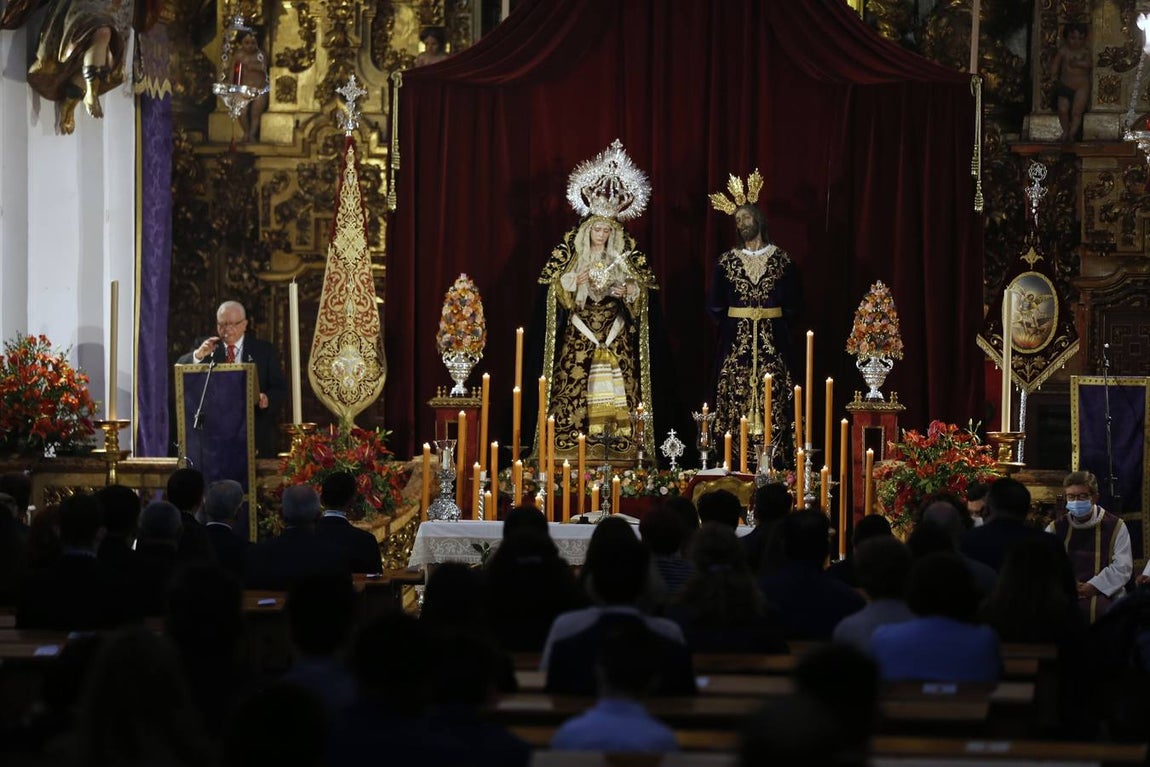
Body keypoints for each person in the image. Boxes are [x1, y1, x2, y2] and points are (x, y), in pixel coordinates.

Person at [538, 140, 658, 461]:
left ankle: (621, 449)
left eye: (607, 230)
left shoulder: (623, 257)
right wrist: (572, 282)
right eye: (597, 229)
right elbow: (553, 290)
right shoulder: (573, 257)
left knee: (621, 386)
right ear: (588, 230)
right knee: (575, 380)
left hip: (614, 329)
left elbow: (642, 290)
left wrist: (628, 292)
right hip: (581, 329)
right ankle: (570, 448)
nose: (601, 235)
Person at [708, 171, 800, 461]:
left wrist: (776, 324)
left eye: (745, 218)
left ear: (758, 219)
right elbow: (715, 305)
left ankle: (776, 456)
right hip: (736, 342)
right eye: (737, 221)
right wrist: (735, 326)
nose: (742, 224)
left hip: (774, 339)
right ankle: (734, 457)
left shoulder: (782, 260)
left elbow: (795, 303)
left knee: (776, 392)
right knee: (734, 392)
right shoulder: (726, 262)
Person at [0, 0, 141, 134]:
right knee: (100, 32)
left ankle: (75, 94)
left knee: (107, 50)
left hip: (113, 7)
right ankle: (90, 91)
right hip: (83, 7)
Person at [178, 300, 288, 458]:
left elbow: (280, 388)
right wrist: (198, 355)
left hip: (253, 430)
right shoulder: (207, 347)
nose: (227, 330)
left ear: (244, 324)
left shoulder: (264, 351)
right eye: (222, 325)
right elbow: (180, 367)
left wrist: (267, 399)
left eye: (232, 324)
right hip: (213, 435)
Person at [1046, 470, 1132, 623]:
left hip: (1105, 591)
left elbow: (1122, 566)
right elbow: (1046, 564)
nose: (1076, 501)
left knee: (1104, 613)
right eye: (1071, 497)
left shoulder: (1116, 526)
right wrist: (1068, 585)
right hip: (1065, 591)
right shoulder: (1055, 528)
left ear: (1095, 497)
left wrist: (1093, 586)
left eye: (1082, 496)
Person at [316, 472, 383, 574]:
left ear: (321, 499)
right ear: (352, 500)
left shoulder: (304, 538)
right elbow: (377, 585)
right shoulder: (365, 541)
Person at [1050, 23, 1091, 143]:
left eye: (1080, 38)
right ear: (1066, 38)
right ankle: (1066, 130)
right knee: (1062, 110)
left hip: (1081, 86)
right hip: (1065, 85)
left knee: (1076, 112)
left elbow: (1089, 64)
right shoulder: (1064, 51)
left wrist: (1078, 64)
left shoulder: (1085, 51)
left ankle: (1072, 134)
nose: (1076, 42)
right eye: (1073, 38)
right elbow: (1056, 64)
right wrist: (1052, 73)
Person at [234, 30, 269, 142]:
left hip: (260, 88)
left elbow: (264, 68)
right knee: (242, 111)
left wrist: (253, 67)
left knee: (256, 112)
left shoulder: (261, 55)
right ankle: (246, 132)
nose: (250, 46)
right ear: (241, 43)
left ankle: (253, 133)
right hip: (243, 88)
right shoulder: (238, 55)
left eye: (253, 43)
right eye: (247, 43)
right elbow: (233, 72)